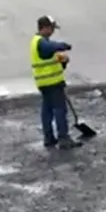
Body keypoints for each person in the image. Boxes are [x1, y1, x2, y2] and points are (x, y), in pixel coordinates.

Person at [31, 15, 81, 149]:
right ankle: (63, 138)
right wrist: (63, 46)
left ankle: (49, 138)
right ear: (45, 28)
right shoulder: (41, 42)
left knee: (47, 110)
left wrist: (62, 61)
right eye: (52, 28)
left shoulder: (39, 42)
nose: (53, 31)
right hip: (52, 83)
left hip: (44, 83)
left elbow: (47, 58)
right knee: (60, 110)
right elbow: (49, 48)